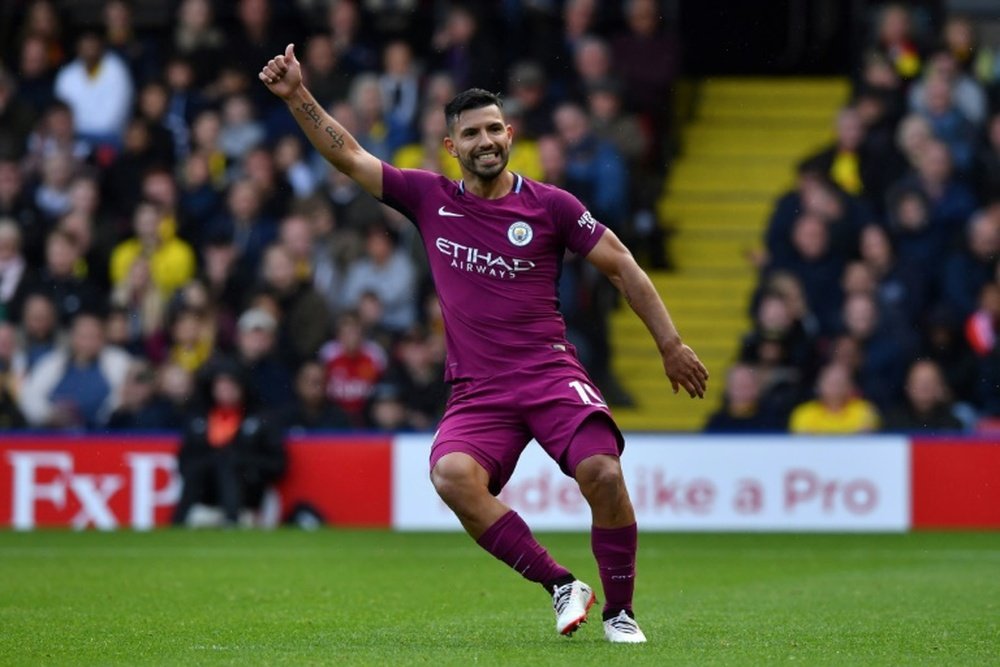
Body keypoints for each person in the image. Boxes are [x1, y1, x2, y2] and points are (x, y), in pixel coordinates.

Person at [259, 43, 708, 643]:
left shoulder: (551, 206)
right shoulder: (429, 199)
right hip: (478, 390)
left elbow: (623, 265)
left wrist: (670, 344)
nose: (486, 140)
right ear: (452, 147)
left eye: (495, 128)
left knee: (602, 470)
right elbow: (351, 156)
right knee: (450, 477)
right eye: (471, 133)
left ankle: (620, 611)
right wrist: (297, 97)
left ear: (510, 133)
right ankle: (560, 585)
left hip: (548, 373)